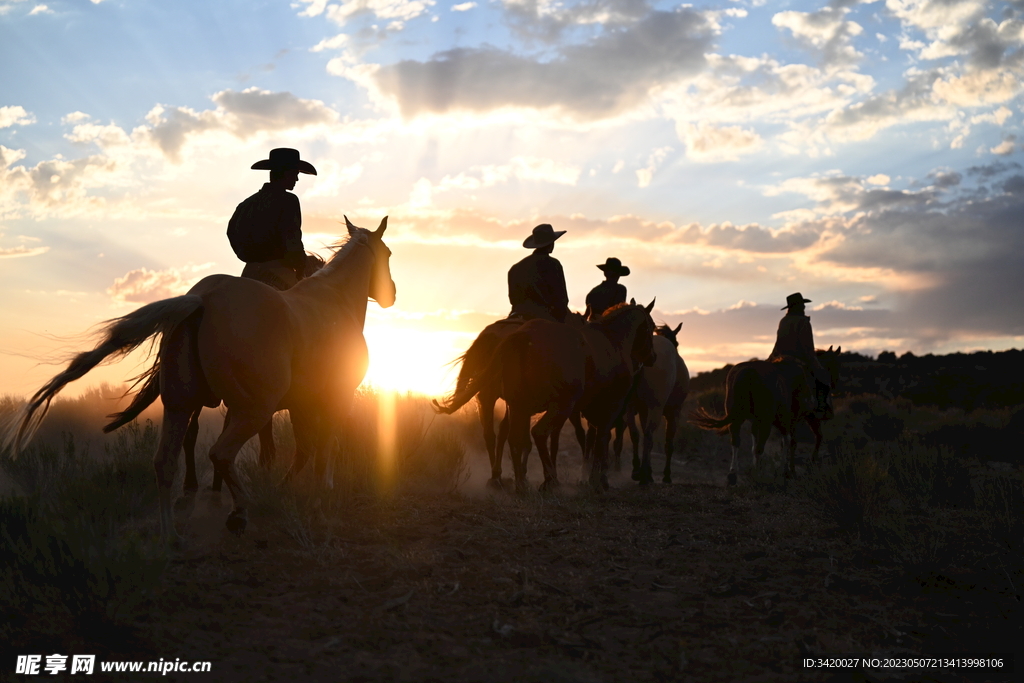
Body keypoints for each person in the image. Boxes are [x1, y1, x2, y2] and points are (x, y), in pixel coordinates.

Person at [227, 147, 317, 291]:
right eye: (294, 173)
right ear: (285, 173)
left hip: (249, 273)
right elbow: (292, 239)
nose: (297, 179)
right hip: (280, 273)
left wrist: (251, 257)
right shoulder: (289, 200)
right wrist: (301, 266)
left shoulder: (246, 204)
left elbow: (232, 233)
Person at [768, 293, 831, 417]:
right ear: (797, 306)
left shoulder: (783, 321)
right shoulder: (803, 321)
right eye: (802, 304)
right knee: (823, 379)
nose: (804, 306)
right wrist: (817, 365)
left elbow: (778, 343)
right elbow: (807, 347)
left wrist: (770, 359)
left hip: (780, 358)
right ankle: (821, 408)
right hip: (797, 361)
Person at [507, 224, 570, 322]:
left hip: (516, 314)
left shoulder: (515, 267)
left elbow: (513, 299)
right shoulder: (553, 264)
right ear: (551, 243)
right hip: (542, 315)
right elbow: (561, 299)